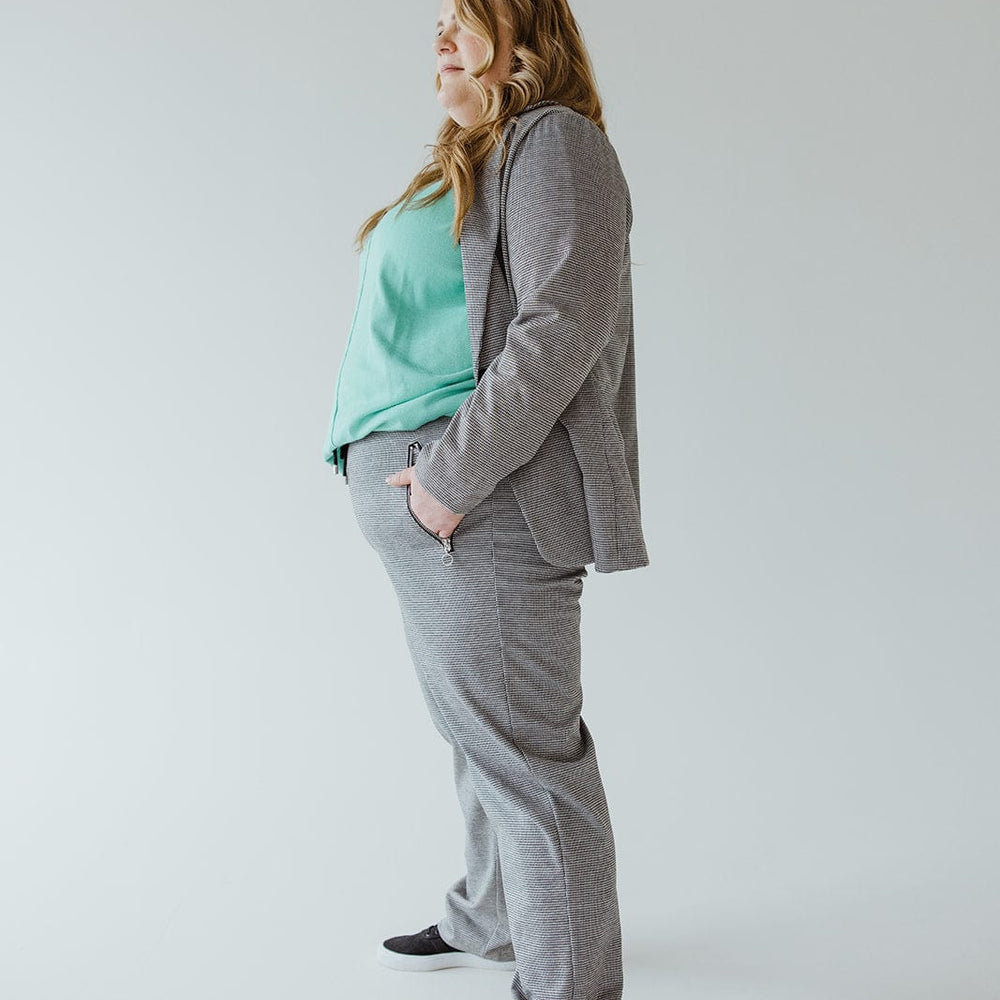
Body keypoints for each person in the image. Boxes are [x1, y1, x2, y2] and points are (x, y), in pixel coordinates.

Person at [322, 0, 650, 997]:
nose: (436, 37)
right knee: (482, 738)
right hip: (436, 501)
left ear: (526, 33)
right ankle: (494, 915)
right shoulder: (470, 160)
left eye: (461, 18)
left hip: (485, 495)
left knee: (528, 763)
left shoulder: (556, 142)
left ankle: (569, 984)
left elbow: (560, 326)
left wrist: (452, 482)